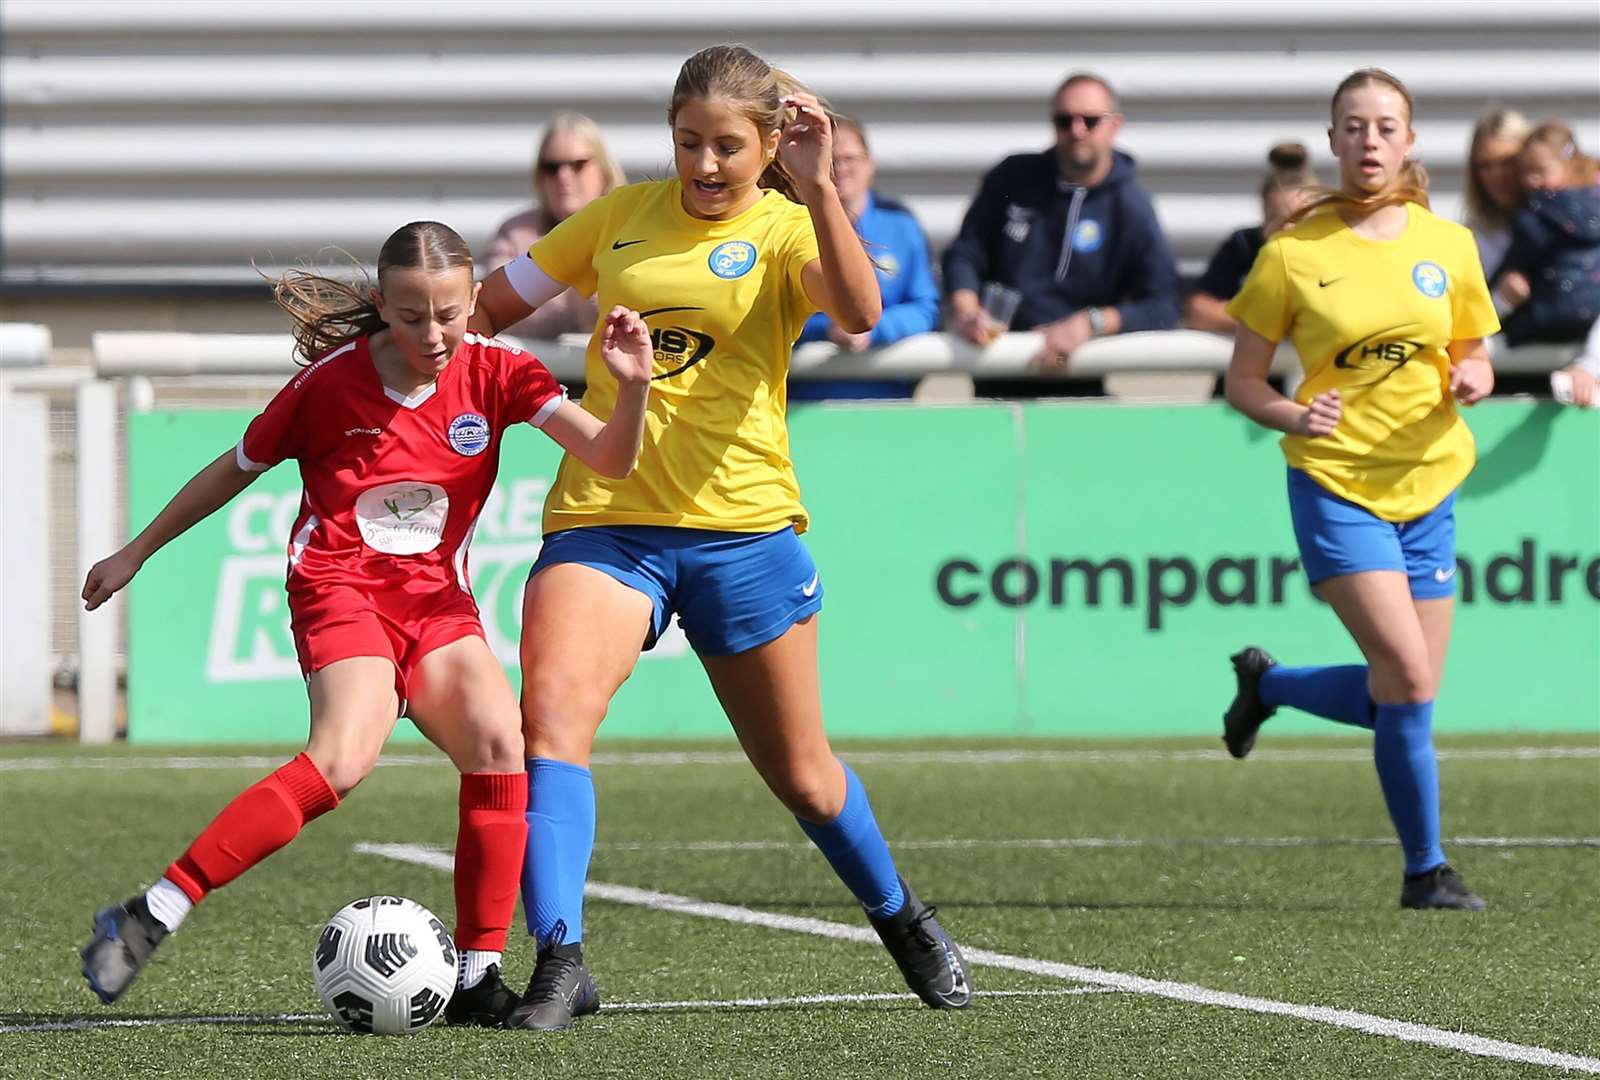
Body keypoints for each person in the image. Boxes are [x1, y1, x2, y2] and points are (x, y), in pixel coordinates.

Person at [469, 44, 972, 1031]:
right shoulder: (615, 218)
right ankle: (559, 958)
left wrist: (821, 184)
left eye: (727, 147)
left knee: (802, 774)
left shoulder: (788, 228)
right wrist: (392, 334)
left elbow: (863, 313)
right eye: (688, 142)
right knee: (551, 723)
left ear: (771, 144)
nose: (704, 164)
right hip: (607, 522)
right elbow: (487, 309)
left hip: (744, 531)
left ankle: (899, 914)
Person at [76, 221, 654, 1025]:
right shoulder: (329, 385)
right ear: (382, 305)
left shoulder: (501, 372)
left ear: (472, 302)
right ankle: (154, 912)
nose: (434, 333)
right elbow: (232, 470)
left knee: (499, 742)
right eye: (413, 315)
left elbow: (613, 459)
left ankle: (479, 975)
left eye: (450, 314)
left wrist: (632, 390)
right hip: (339, 590)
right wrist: (137, 550)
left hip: (437, 604)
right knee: (341, 761)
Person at [1219, 69, 1499, 911]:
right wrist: (1293, 416)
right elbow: (1244, 382)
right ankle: (1426, 871)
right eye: (1354, 126)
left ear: (1409, 141)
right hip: (1338, 486)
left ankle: (1266, 686)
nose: (1370, 140)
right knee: (1406, 683)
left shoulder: (1447, 246)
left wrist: (1474, 375)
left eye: (1386, 126)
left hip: (1432, 487)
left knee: (1403, 694)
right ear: (1334, 142)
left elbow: (1472, 350)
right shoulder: (1293, 254)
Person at [942, 71, 1179, 375]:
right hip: (995, 366)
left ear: (1115, 125)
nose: (1077, 131)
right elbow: (964, 254)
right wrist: (967, 312)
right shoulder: (1013, 177)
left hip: (1079, 377)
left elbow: (1162, 306)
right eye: (1064, 121)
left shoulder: (1131, 205)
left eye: (1090, 121)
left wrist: (1089, 323)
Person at [791, 113, 939, 400]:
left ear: (870, 165)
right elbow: (773, 309)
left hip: (886, 400)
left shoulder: (902, 227)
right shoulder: (794, 225)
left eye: (850, 159)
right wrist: (829, 327)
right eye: (831, 161)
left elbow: (926, 309)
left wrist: (875, 330)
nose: (841, 169)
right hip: (804, 400)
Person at [484, 114, 627, 340]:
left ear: (604, 170)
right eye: (551, 167)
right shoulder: (515, 232)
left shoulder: (632, 226)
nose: (563, 176)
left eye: (577, 165)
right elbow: (493, 309)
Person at [1185, 142, 1320, 334]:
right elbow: (1199, 311)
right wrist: (1261, 321)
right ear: (1263, 216)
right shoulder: (1244, 247)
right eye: (1276, 220)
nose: (1287, 230)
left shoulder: (1331, 253)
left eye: (1298, 220)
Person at [1491, 122, 1600, 348]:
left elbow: (1517, 258)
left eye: (1539, 171)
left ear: (1568, 165)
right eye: (1526, 172)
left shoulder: (1540, 210)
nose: (1531, 180)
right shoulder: (1594, 200)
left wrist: (1495, 284)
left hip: (1551, 314)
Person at [1462, 107, 1531, 283]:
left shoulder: (1562, 220)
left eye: (1507, 162)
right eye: (1486, 165)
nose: (1497, 175)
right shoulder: (1472, 238)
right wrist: (1502, 300)